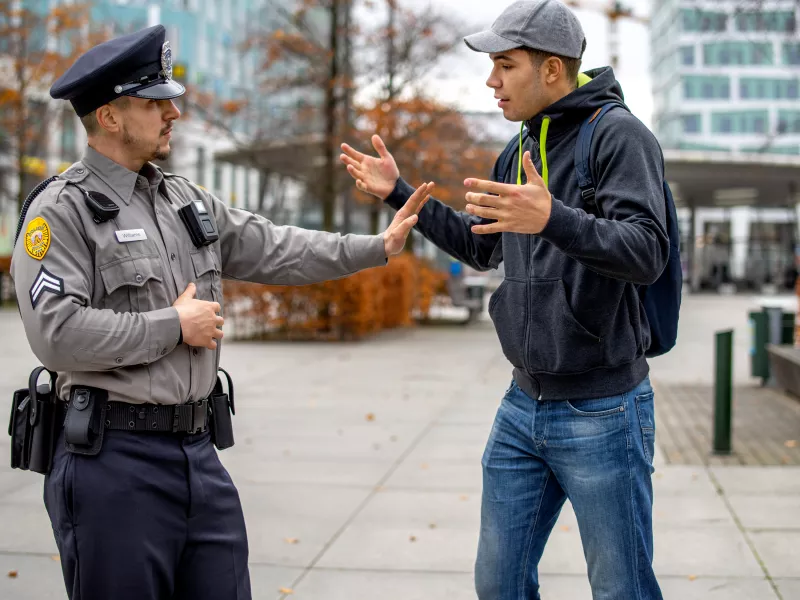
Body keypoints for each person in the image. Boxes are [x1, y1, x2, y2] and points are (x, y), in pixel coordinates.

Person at [11, 24, 430, 600]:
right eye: (155, 101)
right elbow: (57, 334)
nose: (173, 112)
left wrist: (374, 247)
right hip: (112, 466)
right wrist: (173, 326)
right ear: (109, 116)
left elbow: (276, 246)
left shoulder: (183, 199)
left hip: (198, 455)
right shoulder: (60, 211)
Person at [340, 1, 669, 598]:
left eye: (504, 65)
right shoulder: (518, 148)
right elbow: (484, 245)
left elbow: (647, 251)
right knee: (499, 584)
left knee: (622, 589)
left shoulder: (619, 136)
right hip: (523, 405)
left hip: (603, 410)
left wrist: (554, 219)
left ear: (551, 70)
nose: (490, 81)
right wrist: (400, 193)